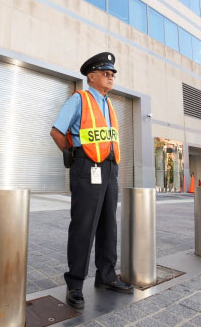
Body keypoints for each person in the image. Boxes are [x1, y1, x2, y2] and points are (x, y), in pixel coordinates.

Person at [50, 52, 133, 310]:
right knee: (84, 225)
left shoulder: (108, 104)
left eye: (112, 74)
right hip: (86, 168)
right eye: (106, 73)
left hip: (109, 170)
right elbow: (56, 131)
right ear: (91, 76)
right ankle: (75, 283)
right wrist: (73, 155)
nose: (111, 77)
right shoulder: (80, 99)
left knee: (108, 224)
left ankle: (106, 275)